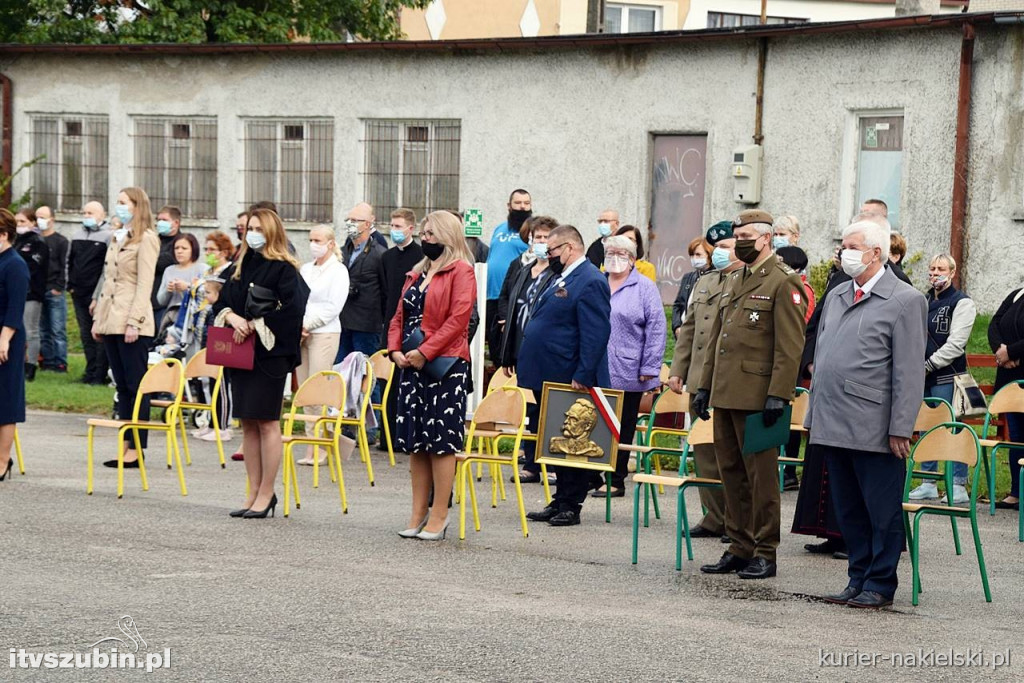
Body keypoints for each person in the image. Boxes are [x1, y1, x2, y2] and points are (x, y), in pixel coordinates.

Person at [806, 219, 926, 609]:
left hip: (873, 424)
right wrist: (812, 418)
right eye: (843, 245)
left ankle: (880, 582)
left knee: (881, 510)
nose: (845, 253)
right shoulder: (840, 293)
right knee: (848, 509)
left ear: (877, 252)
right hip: (833, 420)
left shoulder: (905, 300)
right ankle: (857, 577)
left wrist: (901, 427)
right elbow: (823, 357)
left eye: (853, 246)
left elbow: (909, 372)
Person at [692, 209, 806, 580]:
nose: (737, 243)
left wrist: (779, 394)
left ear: (764, 239)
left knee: (761, 478)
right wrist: (705, 385)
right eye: (735, 236)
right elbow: (717, 340)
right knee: (731, 473)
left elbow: (790, 347)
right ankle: (738, 545)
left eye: (744, 236)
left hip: (759, 396)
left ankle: (764, 550)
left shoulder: (782, 281)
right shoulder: (735, 277)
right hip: (726, 392)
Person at [388, 210, 476, 541]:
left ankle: (440, 514)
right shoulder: (416, 272)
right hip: (410, 364)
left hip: (445, 367)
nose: (425, 239)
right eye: (423, 234)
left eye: (431, 234)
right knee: (416, 441)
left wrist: (425, 352)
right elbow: (398, 315)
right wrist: (394, 349)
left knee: (441, 443)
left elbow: (458, 320)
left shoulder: (462, 271)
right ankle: (416, 512)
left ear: (447, 237)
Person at [520, 224, 611, 527]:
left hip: (570, 374)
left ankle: (572, 504)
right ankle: (560, 499)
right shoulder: (562, 276)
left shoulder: (590, 280)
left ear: (570, 247)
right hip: (550, 373)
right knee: (557, 440)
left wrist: (584, 373)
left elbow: (596, 333)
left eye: (553, 250)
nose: (550, 256)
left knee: (573, 443)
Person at [218, 208, 307, 519]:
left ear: (271, 233)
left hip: (270, 353)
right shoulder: (241, 264)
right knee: (248, 422)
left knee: (267, 422)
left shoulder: (285, 269)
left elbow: (293, 311)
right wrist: (231, 316)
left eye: (257, 228)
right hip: (240, 352)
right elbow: (222, 299)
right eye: (248, 227)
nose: (251, 232)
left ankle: (267, 492)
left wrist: (256, 323)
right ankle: (253, 490)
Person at [666, 221, 740, 537]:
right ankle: (713, 515)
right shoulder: (706, 281)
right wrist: (677, 370)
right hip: (698, 379)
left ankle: (735, 520)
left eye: (725, 247)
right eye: (716, 249)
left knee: (729, 457)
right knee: (704, 453)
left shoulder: (744, 281)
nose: (718, 254)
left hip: (726, 381)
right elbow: (689, 331)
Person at [91, 188, 160, 469]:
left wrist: (135, 321)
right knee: (122, 387)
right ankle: (125, 445)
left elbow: (144, 285)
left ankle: (136, 448)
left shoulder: (148, 239)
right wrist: (100, 321)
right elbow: (109, 282)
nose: (117, 207)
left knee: (136, 386)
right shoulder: (118, 236)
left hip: (132, 320)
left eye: (122, 203)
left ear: (136, 206)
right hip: (111, 319)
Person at [595, 234, 665, 497]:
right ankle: (592, 475)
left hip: (629, 369)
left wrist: (650, 367)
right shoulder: (597, 283)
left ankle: (615, 479)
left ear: (633, 259)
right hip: (596, 368)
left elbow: (657, 329)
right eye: (610, 252)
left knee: (621, 428)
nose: (614, 257)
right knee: (595, 423)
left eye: (620, 253)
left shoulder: (644, 287)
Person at [907, 254, 977, 504]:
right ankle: (928, 481)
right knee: (927, 426)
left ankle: (958, 485)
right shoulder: (923, 300)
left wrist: (930, 364)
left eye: (941, 268)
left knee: (952, 429)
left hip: (948, 376)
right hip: (923, 376)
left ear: (952, 272)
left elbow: (957, 343)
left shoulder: (962, 303)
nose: (935, 273)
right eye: (932, 268)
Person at [497, 216, 558, 482]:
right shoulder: (524, 269)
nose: (541, 242)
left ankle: (553, 464)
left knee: (550, 408)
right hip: (522, 348)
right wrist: (508, 353)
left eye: (546, 238)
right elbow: (509, 303)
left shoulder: (556, 274)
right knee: (531, 408)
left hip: (548, 352)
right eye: (537, 237)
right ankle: (532, 463)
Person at [296, 224, 348, 465]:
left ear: (330, 243)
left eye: (318, 240)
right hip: (302, 333)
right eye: (311, 239)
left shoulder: (338, 271)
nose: (313, 244)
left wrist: (307, 324)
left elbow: (332, 306)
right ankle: (310, 445)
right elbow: (297, 297)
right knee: (305, 391)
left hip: (324, 332)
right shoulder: (306, 269)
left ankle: (321, 447)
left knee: (318, 390)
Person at [776, 244, 816, 492]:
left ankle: (789, 471)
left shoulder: (802, 289)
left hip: (795, 363)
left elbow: (801, 323)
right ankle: (784, 468)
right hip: (786, 361)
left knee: (791, 418)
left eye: (781, 260)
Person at [987, 282, 1024, 511]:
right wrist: (1001, 354)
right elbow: (994, 324)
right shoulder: (1017, 293)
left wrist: (1012, 352)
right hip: (1010, 376)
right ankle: (1016, 491)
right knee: (1017, 436)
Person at [67, 201, 112, 385]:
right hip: (78, 292)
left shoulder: (108, 236)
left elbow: (106, 269)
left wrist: (97, 294)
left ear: (102, 215)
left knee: (98, 334)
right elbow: (70, 261)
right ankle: (90, 369)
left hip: (97, 294)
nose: (87, 216)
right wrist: (69, 284)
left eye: (91, 212)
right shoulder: (77, 235)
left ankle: (99, 374)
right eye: (84, 212)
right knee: (85, 334)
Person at [485, 189, 532, 363]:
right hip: (491, 295)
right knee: (494, 342)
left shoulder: (531, 231)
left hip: (513, 296)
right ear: (509, 206)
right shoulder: (499, 228)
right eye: (518, 203)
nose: (522, 207)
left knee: (510, 344)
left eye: (526, 203)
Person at [0, 209, 30, 481]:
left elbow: (15, 307)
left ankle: (2, 460)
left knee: (6, 400)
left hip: (5, 337)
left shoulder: (15, 264)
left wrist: (4, 339)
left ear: (4, 235)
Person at [338, 202, 388, 364]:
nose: (350, 224)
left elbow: (385, 291)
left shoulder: (379, 254)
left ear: (367, 224)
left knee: (366, 375)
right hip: (343, 323)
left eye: (355, 220)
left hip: (366, 326)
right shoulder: (343, 252)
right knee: (342, 372)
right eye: (348, 220)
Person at [13, 208, 48, 382]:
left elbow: (32, 267)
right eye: (17, 221)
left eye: (23, 222)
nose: (19, 225)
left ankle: (31, 365)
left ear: (32, 223)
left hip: (32, 292)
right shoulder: (16, 241)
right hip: (16, 292)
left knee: (31, 330)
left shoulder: (37, 242)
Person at [381, 208, 423, 349]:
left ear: (410, 229)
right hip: (390, 320)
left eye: (398, 226)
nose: (393, 230)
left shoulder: (421, 256)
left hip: (412, 322)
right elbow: (384, 291)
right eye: (392, 226)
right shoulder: (387, 257)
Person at [36, 206, 69, 373]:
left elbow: (64, 265)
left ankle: (60, 362)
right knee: (43, 330)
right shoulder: (36, 241)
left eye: (43, 216)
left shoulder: (61, 241)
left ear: (52, 219)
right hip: (39, 291)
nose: (39, 220)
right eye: (37, 217)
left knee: (57, 329)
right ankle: (47, 361)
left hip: (54, 291)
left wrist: (59, 286)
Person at [671, 233, 716, 336]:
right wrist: (677, 326)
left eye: (698, 254)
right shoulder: (688, 277)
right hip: (684, 333)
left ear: (709, 255)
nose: (694, 258)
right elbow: (678, 304)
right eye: (692, 255)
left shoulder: (717, 277)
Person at [155, 233, 206, 322]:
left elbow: (207, 296)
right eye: (176, 248)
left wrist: (188, 287)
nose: (179, 251)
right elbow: (161, 301)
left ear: (193, 250)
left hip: (194, 319)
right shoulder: (169, 270)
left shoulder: (202, 268)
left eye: (184, 248)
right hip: (172, 318)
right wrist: (168, 290)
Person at [151, 205, 186, 316]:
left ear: (176, 223)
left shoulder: (181, 243)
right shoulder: (154, 240)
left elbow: (158, 264)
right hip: (148, 299)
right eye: (158, 220)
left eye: (164, 220)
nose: (160, 223)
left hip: (164, 303)